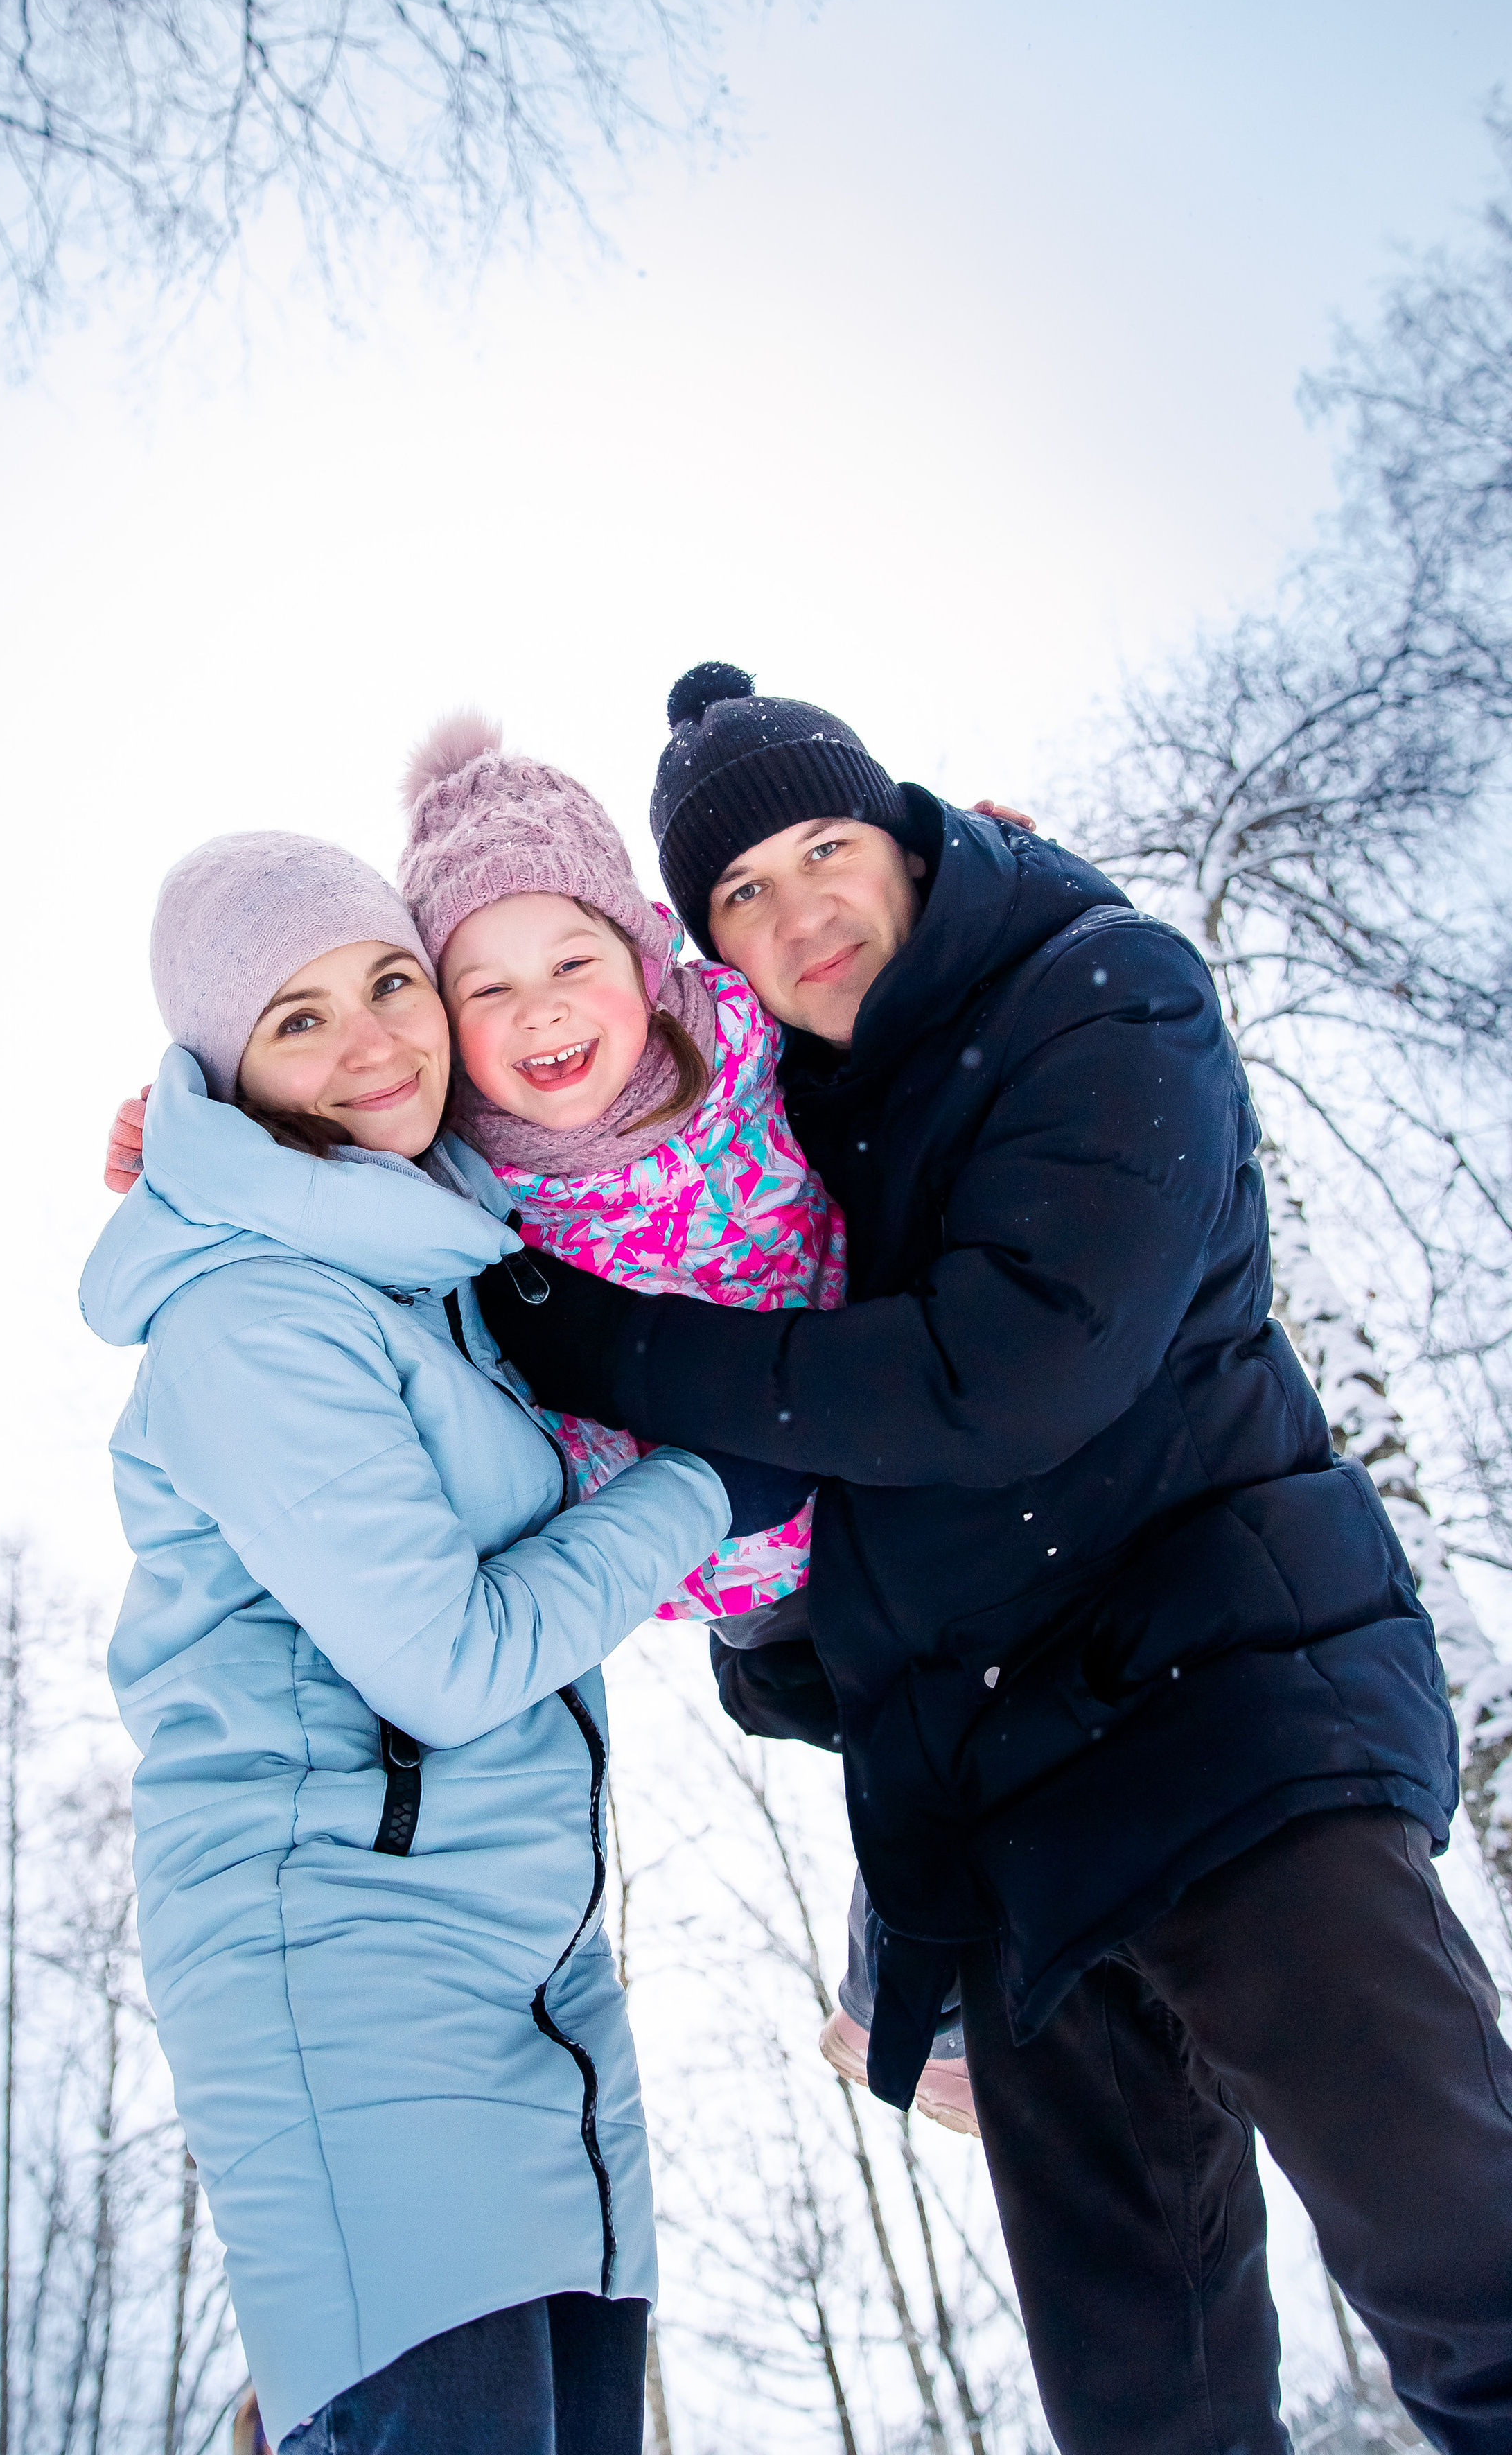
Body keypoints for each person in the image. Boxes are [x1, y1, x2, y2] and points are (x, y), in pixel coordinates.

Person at [476, 663, 1512, 2455]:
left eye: (827, 849)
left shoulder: (1101, 995)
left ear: (908, 834)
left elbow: (1006, 1376)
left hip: (1234, 1729)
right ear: (700, 947)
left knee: (1466, 2278)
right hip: (1002, 1827)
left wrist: (604, 1349)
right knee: (1148, 2414)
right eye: (742, 895)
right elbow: (472, 1044)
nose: (802, 913)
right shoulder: (785, 1120)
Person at [80, 830, 735, 2454]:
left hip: (537, 1972)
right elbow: (440, 1664)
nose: (375, 1039)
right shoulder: (253, 1316)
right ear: (230, 1079)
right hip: (348, 1966)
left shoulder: (437, 1260)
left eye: (387, 981)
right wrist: (709, 1489)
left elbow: (632, 994)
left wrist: (958, 889)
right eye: (298, 1019)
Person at [393, 710, 977, 2133]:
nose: (541, 1010)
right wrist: (188, 1126)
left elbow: (882, 950)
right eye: (488, 985)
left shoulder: (737, 1026)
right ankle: (918, 2012)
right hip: (735, 1545)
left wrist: (990, 867)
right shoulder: (451, 1178)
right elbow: (301, 1122)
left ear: (642, 958)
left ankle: (919, 2001)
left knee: (991, 1726)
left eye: (573, 961)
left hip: (889, 1456)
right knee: (926, 1740)